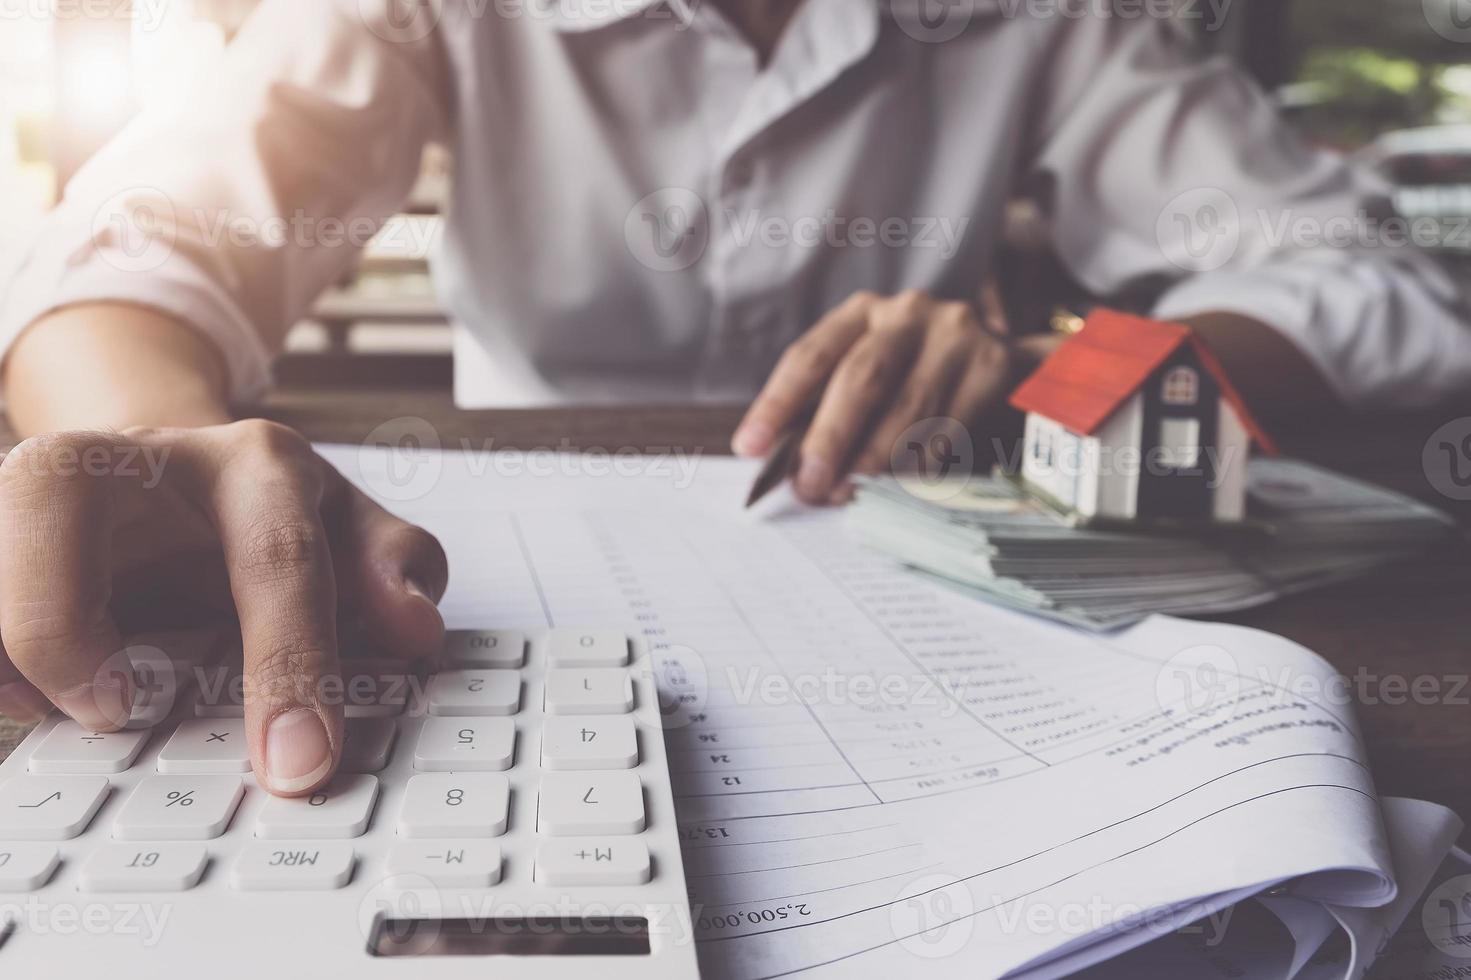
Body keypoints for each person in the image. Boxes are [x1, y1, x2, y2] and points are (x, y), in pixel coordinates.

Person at [0, 0, 1466, 795]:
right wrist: (150, 454)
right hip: (503, 594)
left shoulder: (1046, 19)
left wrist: (1047, 370)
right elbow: (139, 249)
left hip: (914, 598)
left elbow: (1369, 283)